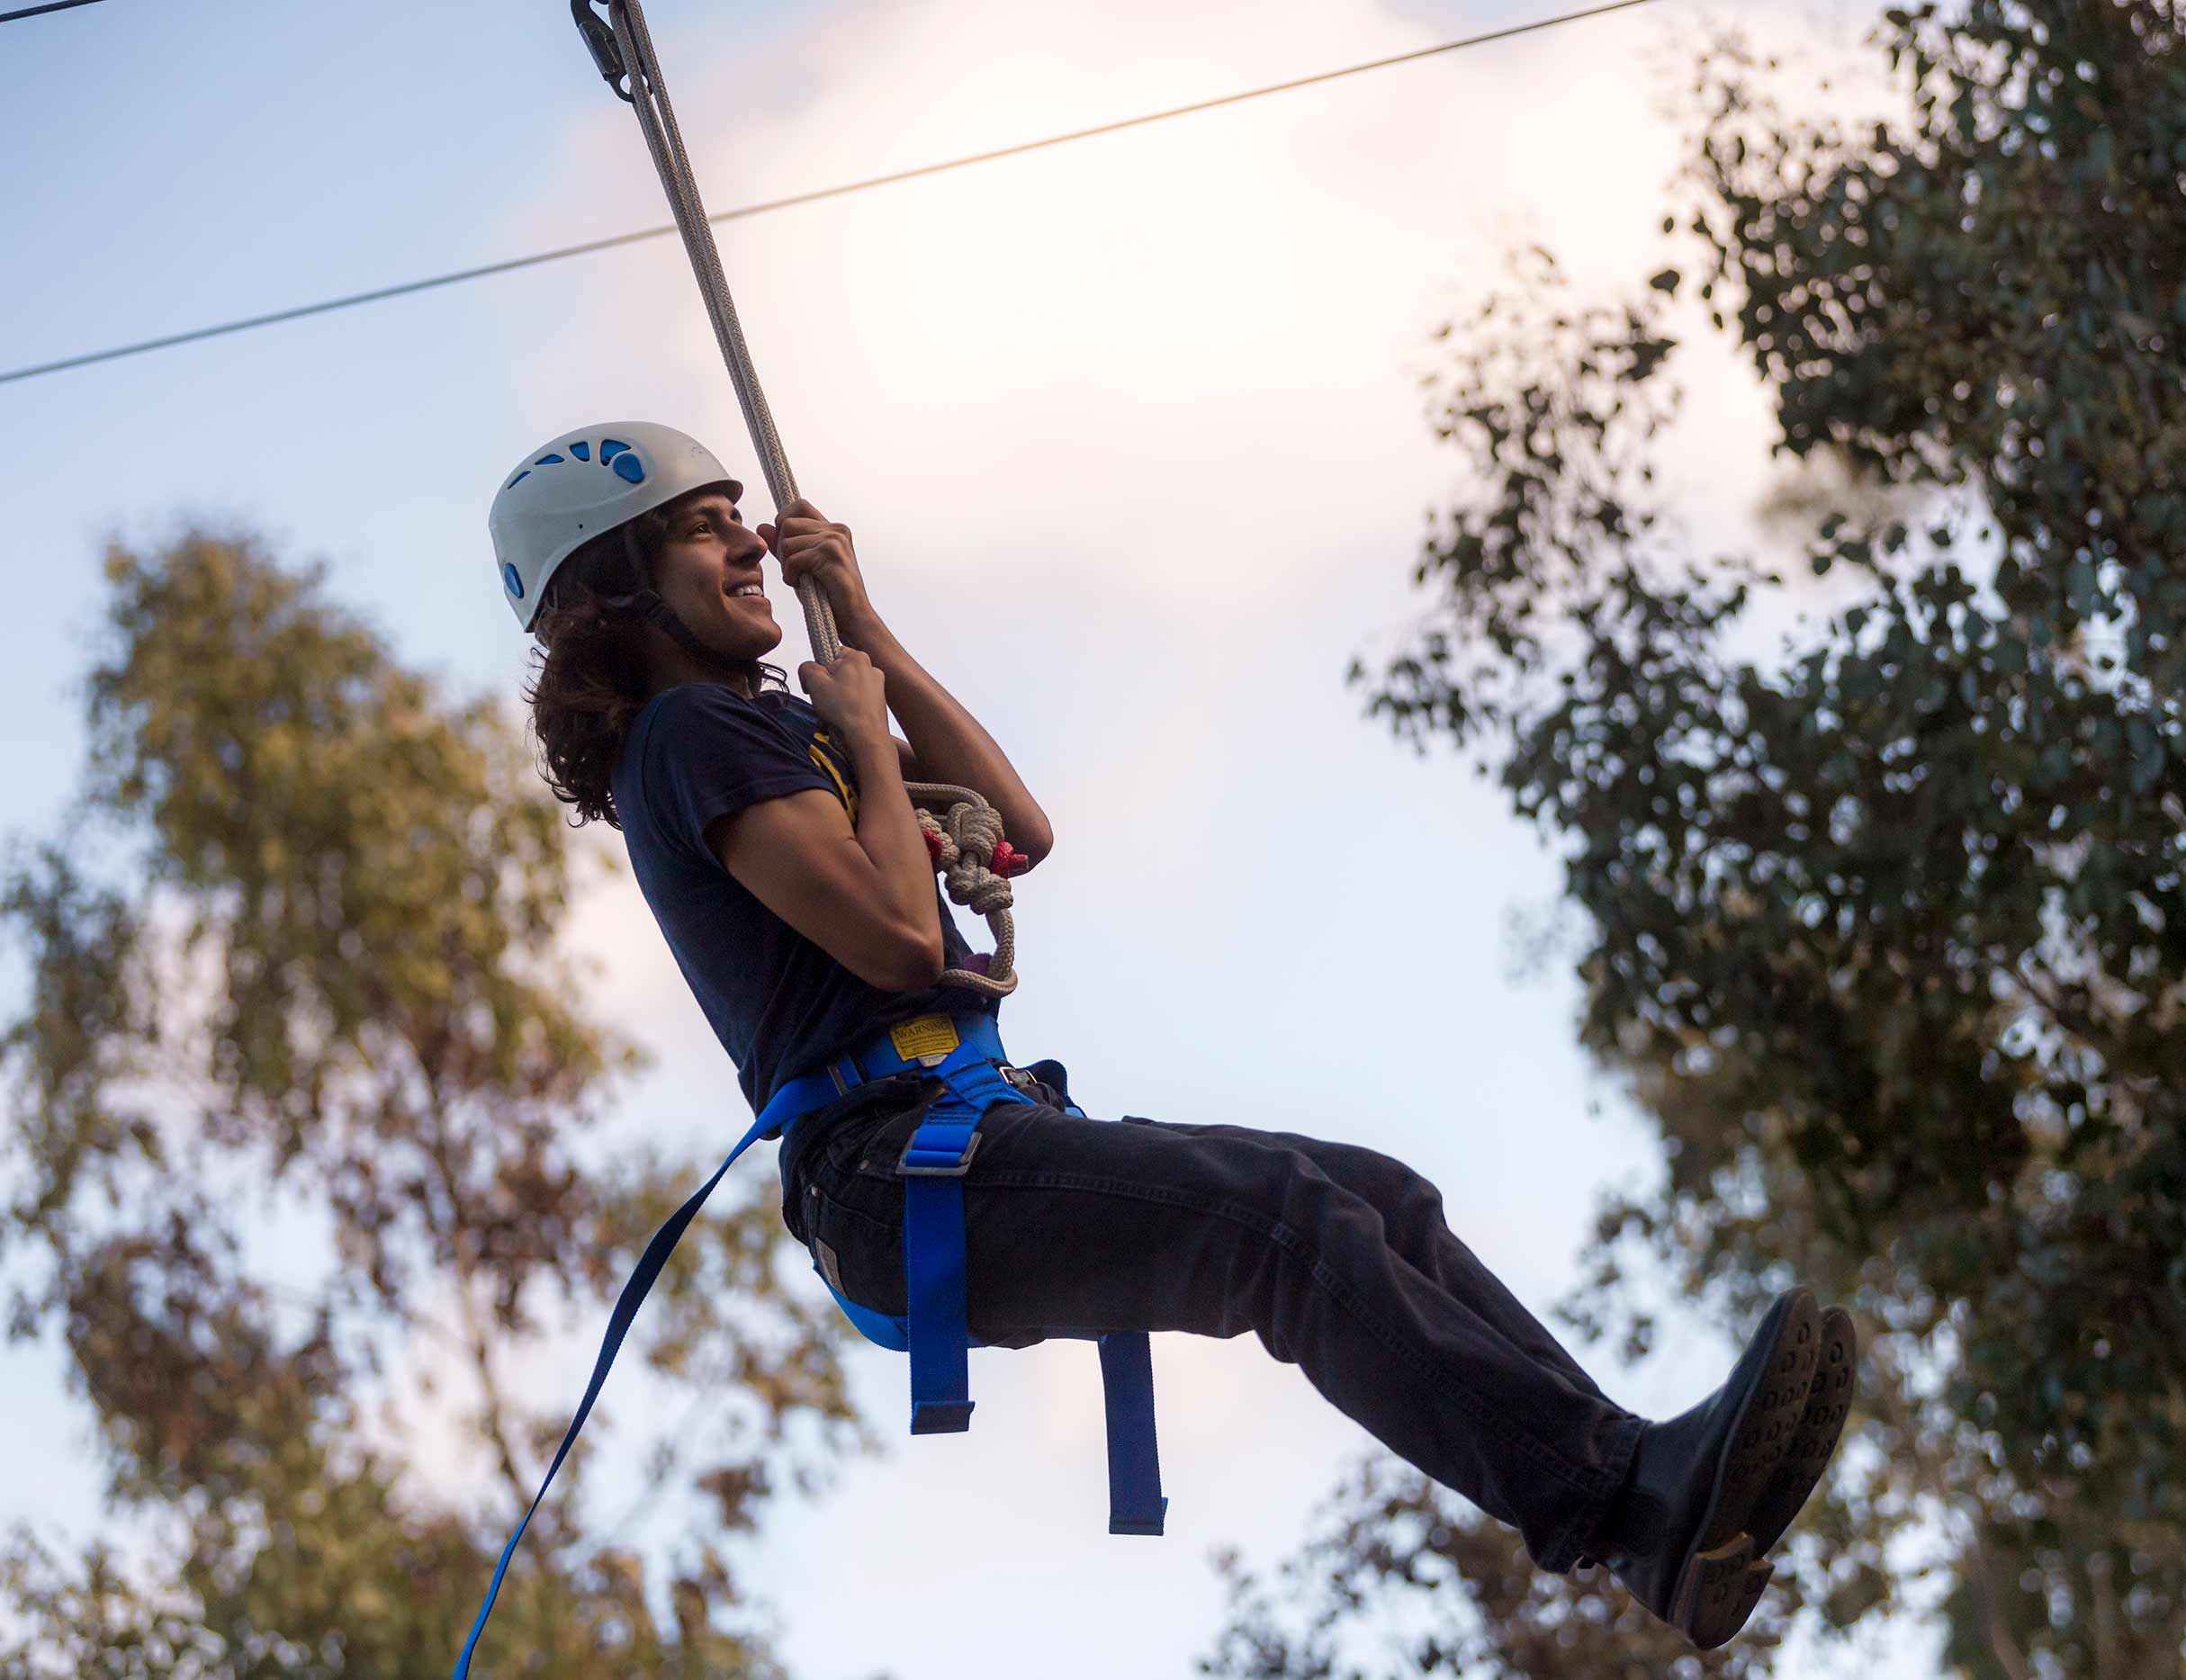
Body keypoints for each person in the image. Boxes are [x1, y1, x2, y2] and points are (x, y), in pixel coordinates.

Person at [488, 421, 1858, 1649]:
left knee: (1378, 1199)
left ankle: (1641, 1501)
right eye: (705, 528)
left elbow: (1017, 831)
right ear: (618, 587)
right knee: (1281, 1225)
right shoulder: (687, 738)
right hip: (885, 1172)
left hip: (953, 1129)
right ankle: (1621, 1500)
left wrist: (868, 634)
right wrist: (856, 726)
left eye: (740, 517)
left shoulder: (766, 723)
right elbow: (900, 941)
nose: (748, 544)